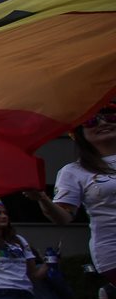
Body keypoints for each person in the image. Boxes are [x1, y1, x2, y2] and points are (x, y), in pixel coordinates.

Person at [28, 100, 116, 284]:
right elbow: (63, 217)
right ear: (79, 133)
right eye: (92, 121)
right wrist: (42, 198)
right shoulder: (74, 171)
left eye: (108, 114)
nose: (103, 123)